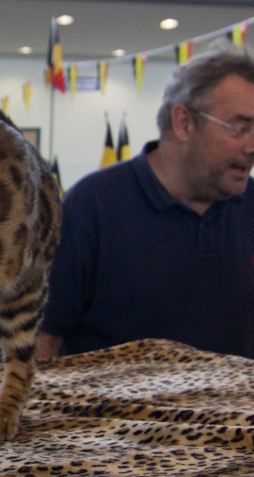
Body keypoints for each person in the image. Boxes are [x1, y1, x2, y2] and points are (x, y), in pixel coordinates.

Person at [36, 50, 254, 361]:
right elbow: (40, 340)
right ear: (184, 123)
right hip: (109, 409)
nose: (251, 145)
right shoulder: (92, 207)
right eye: (239, 127)